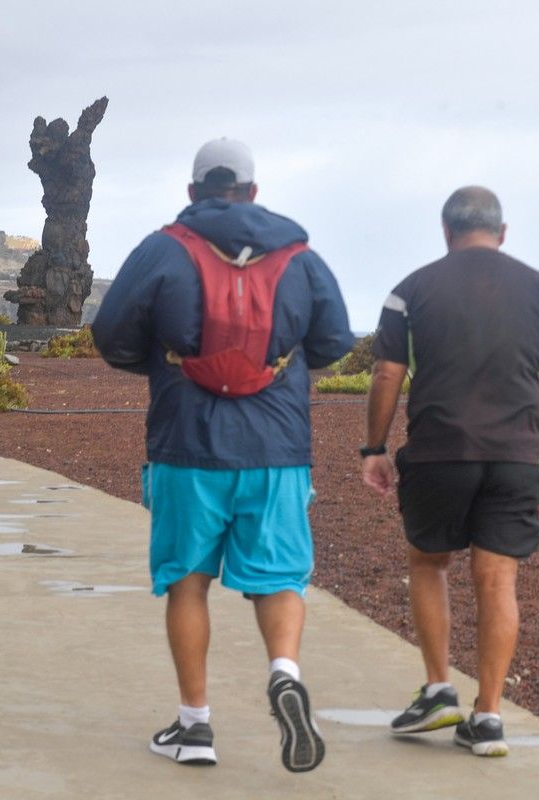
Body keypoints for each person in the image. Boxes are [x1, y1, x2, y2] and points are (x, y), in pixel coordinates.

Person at [93, 138, 354, 772]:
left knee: (187, 582)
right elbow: (335, 341)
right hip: (277, 448)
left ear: (192, 192)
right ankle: (284, 673)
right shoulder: (299, 256)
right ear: (253, 192)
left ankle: (195, 727)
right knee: (280, 578)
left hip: (186, 443)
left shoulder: (163, 248)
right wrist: (276, 372)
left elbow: (111, 335)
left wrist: (166, 365)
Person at [361, 186, 539, 757]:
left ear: (446, 232)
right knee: (497, 578)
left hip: (439, 451)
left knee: (428, 563)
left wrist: (375, 448)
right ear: (502, 232)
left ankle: (439, 689)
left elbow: (387, 375)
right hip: (515, 455)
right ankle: (487, 717)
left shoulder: (411, 290)